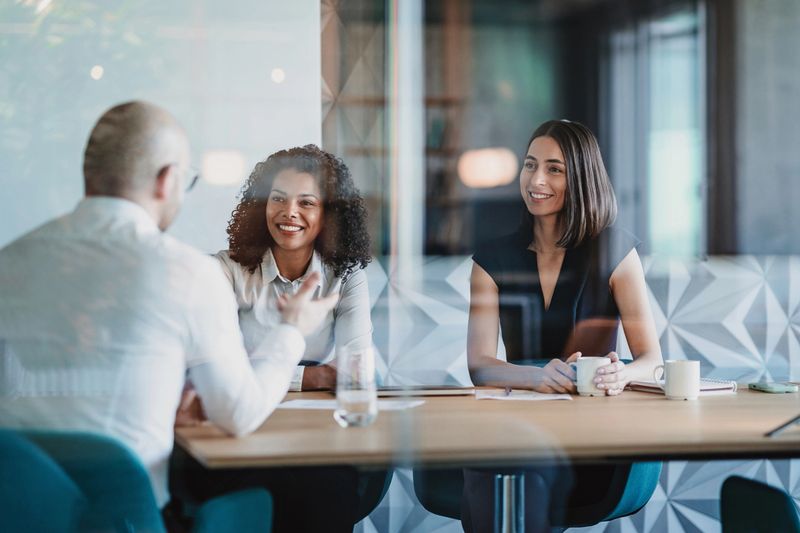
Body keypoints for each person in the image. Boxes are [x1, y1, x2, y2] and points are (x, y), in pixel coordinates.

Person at [0, 101, 342, 528]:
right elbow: (238, 414)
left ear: (91, 174)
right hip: (127, 521)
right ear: (167, 180)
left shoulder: (8, 263)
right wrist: (292, 330)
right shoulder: (187, 273)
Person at [463, 119, 663, 532]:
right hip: (519, 427)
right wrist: (536, 377)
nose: (536, 179)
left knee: (521, 484)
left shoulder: (614, 250)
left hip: (593, 437)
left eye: (555, 168)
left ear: (581, 178)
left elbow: (652, 359)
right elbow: (480, 366)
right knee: (500, 472)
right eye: (530, 164)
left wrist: (620, 374)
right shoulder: (492, 257)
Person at [215, 144, 373, 391]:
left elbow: (356, 369)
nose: (289, 212)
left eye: (306, 203)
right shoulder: (225, 270)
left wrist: (259, 372)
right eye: (278, 198)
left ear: (328, 214)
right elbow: (220, 368)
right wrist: (319, 377)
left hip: (321, 418)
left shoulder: (347, 275)